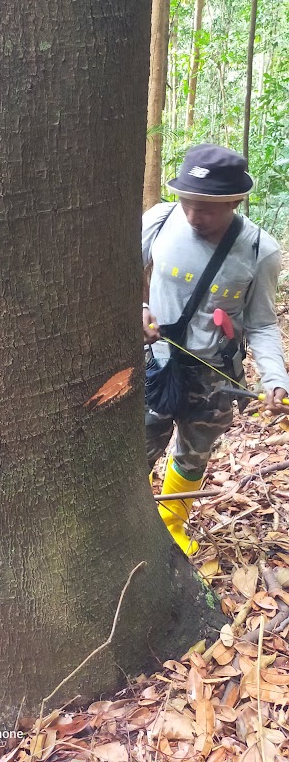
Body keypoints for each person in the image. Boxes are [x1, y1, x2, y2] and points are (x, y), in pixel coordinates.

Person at [142, 144, 289, 555]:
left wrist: (277, 379)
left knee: (193, 456)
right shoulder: (159, 220)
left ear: (235, 200)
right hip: (156, 366)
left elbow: (261, 323)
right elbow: (116, 275)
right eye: (187, 201)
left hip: (214, 379)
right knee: (137, 448)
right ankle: (128, 528)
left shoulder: (261, 250)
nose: (193, 214)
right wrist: (137, 310)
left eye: (207, 207)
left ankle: (171, 528)